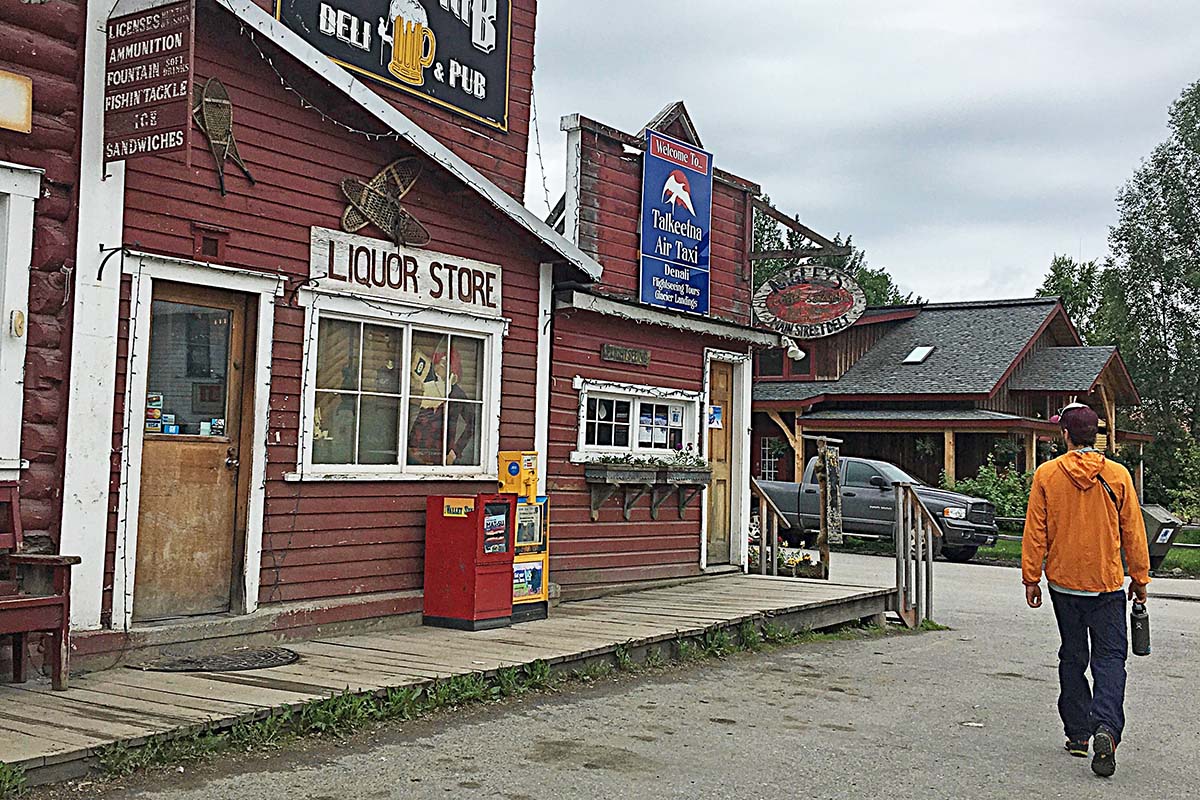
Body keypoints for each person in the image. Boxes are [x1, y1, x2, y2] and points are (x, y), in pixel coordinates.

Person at [1022, 403, 1150, 778]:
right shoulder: (1118, 474)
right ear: (1094, 435)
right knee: (1110, 660)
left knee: (1072, 655)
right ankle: (1106, 728)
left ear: (1064, 435)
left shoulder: (1047, 475)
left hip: (1064, 585)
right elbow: (1134, 533)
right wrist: (1139, 579)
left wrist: (1032, 577)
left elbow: (1035, 532)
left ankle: (1078, 734)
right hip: (1107, 585)